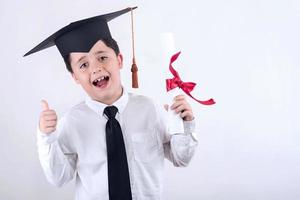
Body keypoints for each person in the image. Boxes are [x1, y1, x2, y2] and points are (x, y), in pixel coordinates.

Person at [25, 7, 198, 200]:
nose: (96, 68)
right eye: (83, 65)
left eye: (102, 57)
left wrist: (183, 125)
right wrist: (46, 138)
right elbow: (59, 178)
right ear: (75, 77)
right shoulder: (72, 122)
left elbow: (181, 158)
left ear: (120, 60)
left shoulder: (150, 109)